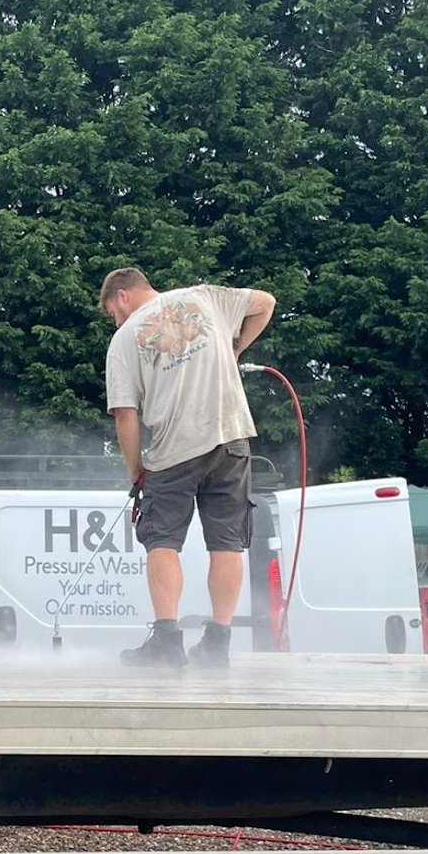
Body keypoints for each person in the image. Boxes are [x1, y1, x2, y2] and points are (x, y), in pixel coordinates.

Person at [100, 267, 276, 668]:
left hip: (173, 452)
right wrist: (235, 351)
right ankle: (218, 644)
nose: (117, 320)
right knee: (227, 543)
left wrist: (134, 469)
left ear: (123, 296)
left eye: (113, 312)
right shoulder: (204, 296)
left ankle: (167, 642)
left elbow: (125, 414)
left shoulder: (125, 338)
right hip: (230, 438)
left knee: (161, 541)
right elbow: (265, 303)